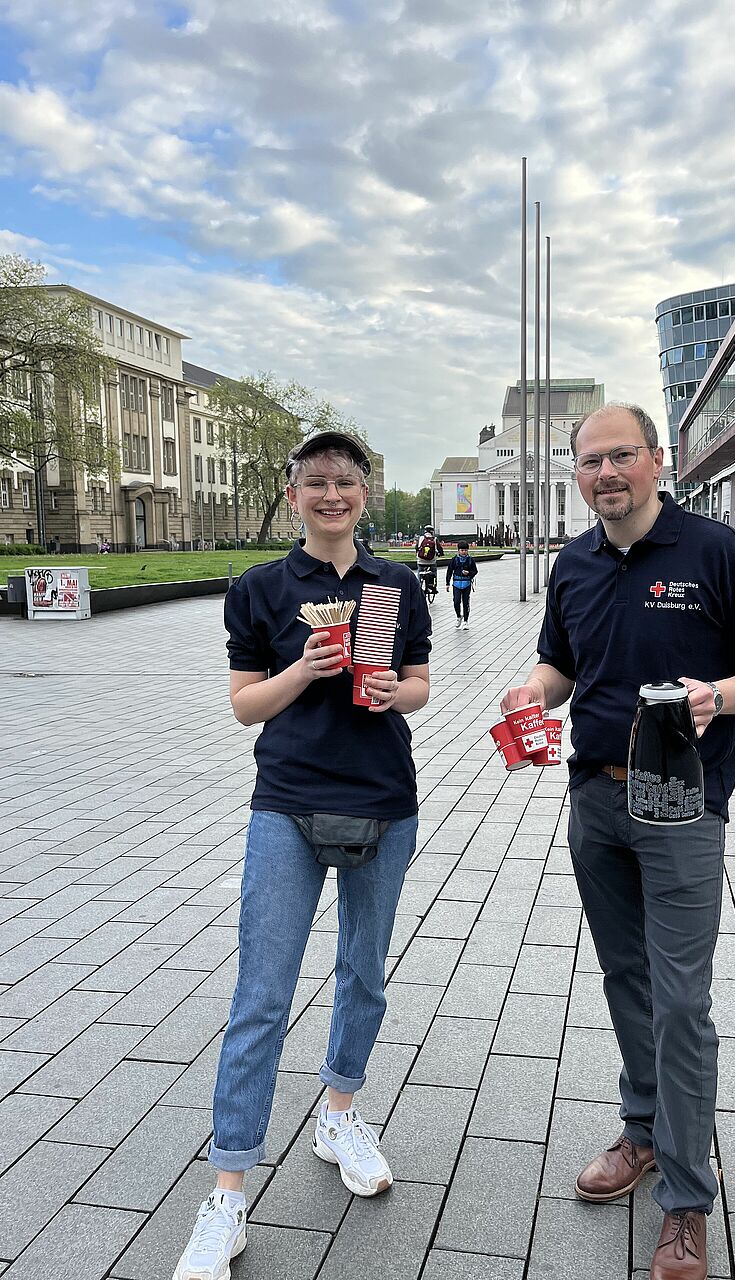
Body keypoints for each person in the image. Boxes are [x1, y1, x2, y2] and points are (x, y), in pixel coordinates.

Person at [500, 404, 735, 1280]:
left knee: (681, 1001)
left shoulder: (716, 552)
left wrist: (718, 696)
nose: (605, 474)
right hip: (594, 800)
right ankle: (642, 1132)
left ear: (657, 460)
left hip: (682, 807)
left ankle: (687, 1199)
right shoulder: (575, 561)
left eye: (620, 456)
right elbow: (563, 661)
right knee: (624, 978)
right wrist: (529, 692)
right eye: (589, 462)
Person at [172, 430, 431, 1280]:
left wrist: (398, 689)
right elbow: (247, 706)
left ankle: (340, 1112)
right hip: (285, 803)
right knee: (262, 993)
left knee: (364, 973)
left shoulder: (398, 584)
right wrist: (305, 669)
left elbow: (420, 682)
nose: (331, 496)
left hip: (383, 802)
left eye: (346, 482)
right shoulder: (260, 589)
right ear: (294, 497)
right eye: (316, 483)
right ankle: (228, 1194)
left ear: (365, 494)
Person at [445, 539, 478, 628]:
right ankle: (458, 616)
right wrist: (447, 583)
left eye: (466, 550)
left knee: (466, 603)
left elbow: (475, 571)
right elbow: (449, 571)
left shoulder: (470, 560)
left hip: (467, 584)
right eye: (462, 550)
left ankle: (466, 621)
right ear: (458, 550)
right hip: (456, 584)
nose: (464, 552)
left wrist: (469, 573)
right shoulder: (454, 560)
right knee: (456, 602)